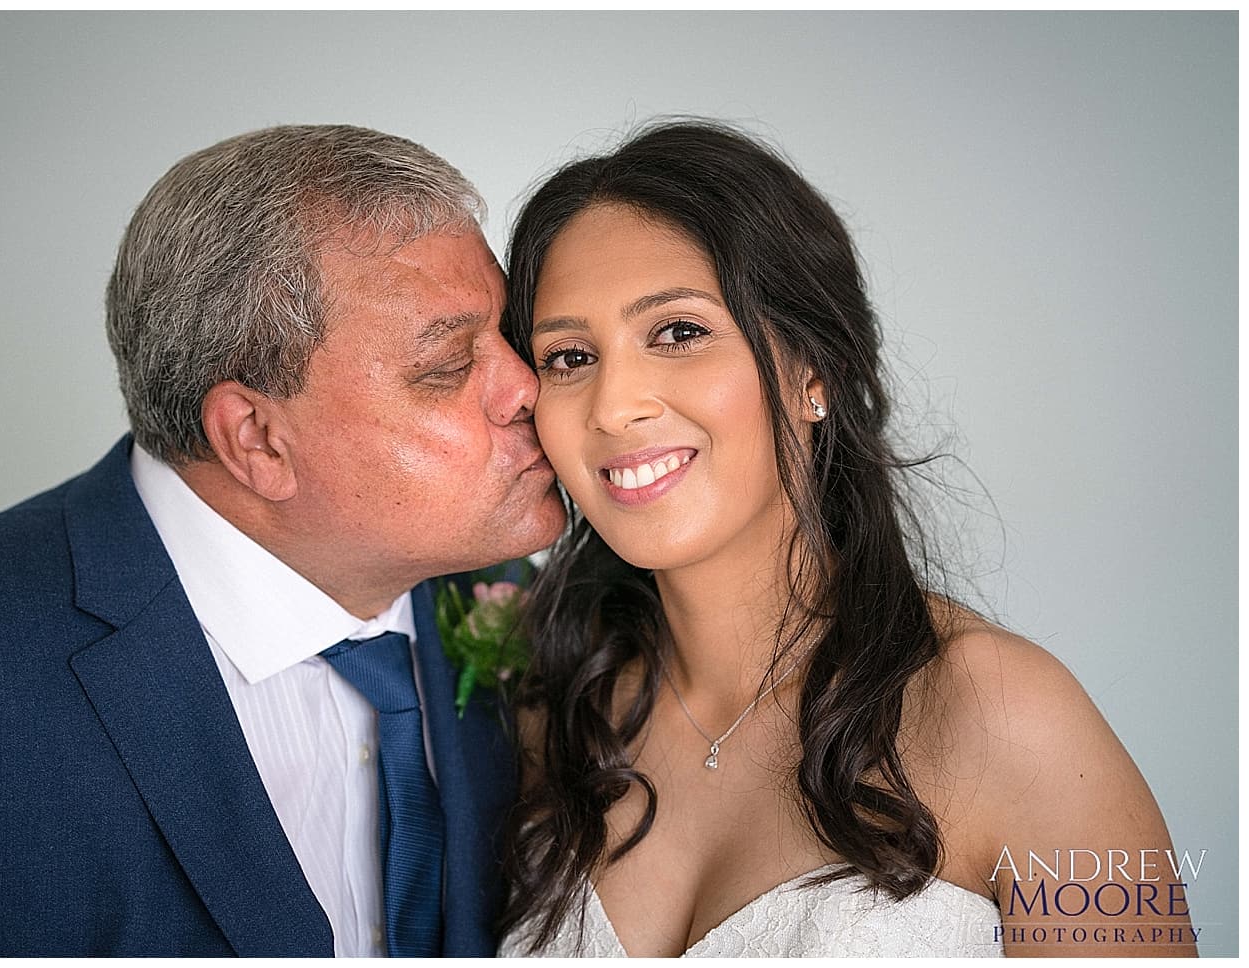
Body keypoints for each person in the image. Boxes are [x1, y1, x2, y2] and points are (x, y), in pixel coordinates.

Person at [0, 124, 566, 956]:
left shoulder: (536, 605)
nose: (529, 387)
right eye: (447, 366)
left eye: (509, 331)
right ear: (256, 438)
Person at [495, 121, 1194, 957]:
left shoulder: (1009, 719)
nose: (614, 406)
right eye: (570, 356)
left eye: (680, 332)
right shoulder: (552, 721)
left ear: (814, 372)